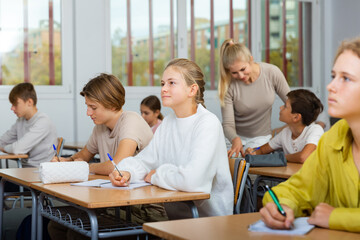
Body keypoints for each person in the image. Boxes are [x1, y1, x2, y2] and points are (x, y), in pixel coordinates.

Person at [109, 58, 234, 219]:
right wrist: (126, 172)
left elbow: (193, 181)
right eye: (162, 83)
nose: (163, 89)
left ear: (192, 90)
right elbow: (146, 160)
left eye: (171, 83)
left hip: (208, 222)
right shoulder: (169, 122)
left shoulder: (207, 123)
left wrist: (156, 175)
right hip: (177, 218)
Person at [260, 37, 360, 232]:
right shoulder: (332, 139)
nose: (330, 86)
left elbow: (331, 216)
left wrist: (335, 217)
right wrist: (281, 205)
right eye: (333, 76)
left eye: (346, 78)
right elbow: (296, 190)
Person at [51, 73, 153, 176]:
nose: (88, 113)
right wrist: (66, 161)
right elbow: (83, 155)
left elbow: (117, 166)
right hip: (117, 188)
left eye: (93, 107)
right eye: (87, 107)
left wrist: (86, 166)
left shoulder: (131, 121)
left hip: (144, 190)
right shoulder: (100, 127)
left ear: (112, 105)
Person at [219, 39, 290, 158]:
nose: (240, 76)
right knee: (233, 172)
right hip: (233, 138)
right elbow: (228, 124)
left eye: (243, 69)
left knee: (254, 173)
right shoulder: (228, 84)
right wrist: (235, 139)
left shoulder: (271, 72)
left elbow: (293, 102)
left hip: (261, 138)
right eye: (234, 73)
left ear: (251, 59)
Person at [245, 89, 324, 163]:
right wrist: (253, 151)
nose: (280, 107)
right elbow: (262, 149)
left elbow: (303, 157)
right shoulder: (285, 133)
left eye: (285, 106)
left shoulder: (315, 130)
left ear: (296, 117)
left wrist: (281, 157)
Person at [0, 82, 57, 168]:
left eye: (15, 104)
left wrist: (4, 148)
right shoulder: (20, 121)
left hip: (40, 171)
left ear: (29, 102)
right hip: (24, 169)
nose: (12, 108)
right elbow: (2, 141)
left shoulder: (43, 121)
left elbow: (18, 149)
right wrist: (9, 147)